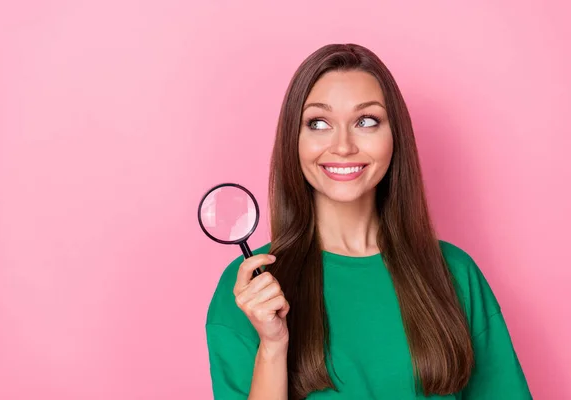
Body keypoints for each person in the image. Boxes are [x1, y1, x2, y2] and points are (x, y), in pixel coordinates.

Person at [205, 43, 532, 399]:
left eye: (366, 121)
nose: (343, 145)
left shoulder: (454, 272)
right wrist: (272, 346)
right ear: (293, 141)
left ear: (395, 136)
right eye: (318, 123)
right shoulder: (253, 289)